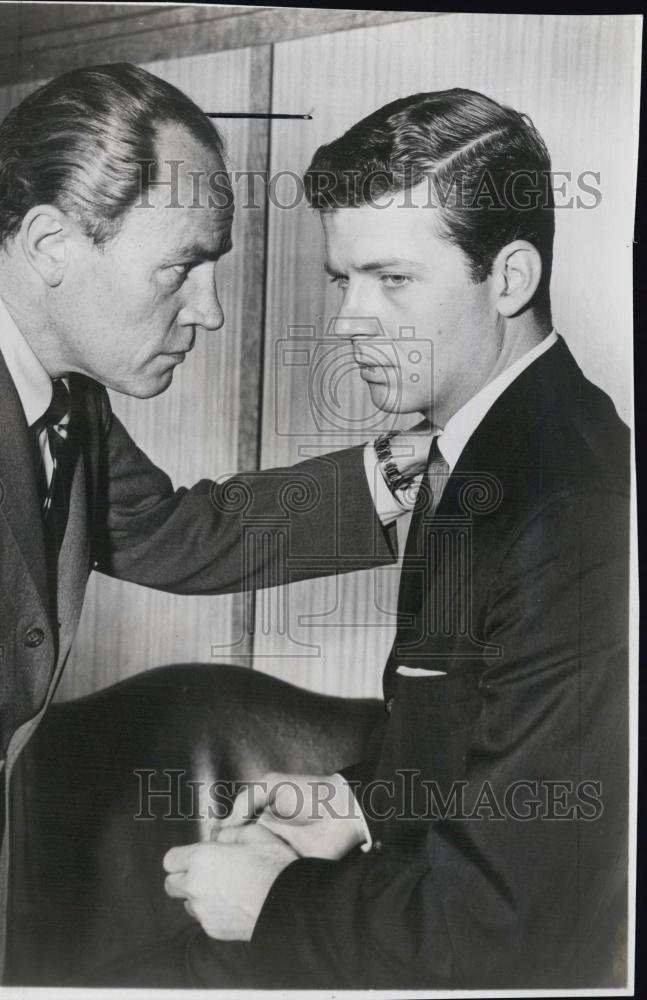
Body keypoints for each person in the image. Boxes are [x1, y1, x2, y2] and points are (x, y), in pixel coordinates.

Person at [0, 63, 424, 985]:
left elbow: (171, 530)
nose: (208, 311)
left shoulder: (61, 391)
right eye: (181, 267)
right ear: (53, 241)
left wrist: (393, 471)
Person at [162, 88, 631, 990]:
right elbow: (481, 729)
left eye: (394, 279)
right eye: (345, 280)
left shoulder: (571, 513)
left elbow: (508, 926)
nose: (347, 319)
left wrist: (271, 902)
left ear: (509, 279)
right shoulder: (491, 449)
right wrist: (359, 800)